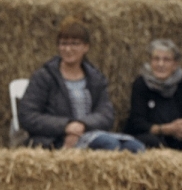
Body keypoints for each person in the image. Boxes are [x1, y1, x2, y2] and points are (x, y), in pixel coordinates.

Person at [18, 18, 145, 152]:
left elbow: (106, 114)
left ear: (86, 47)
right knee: (108, 144)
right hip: (54, 138)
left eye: (74, 44)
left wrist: (82, 125)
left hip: (88, 132)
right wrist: (66, 126)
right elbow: (28, 115)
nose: (68, 49)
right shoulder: (44, 76)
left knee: (136, 147)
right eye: (63, 44)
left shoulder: (95, 78)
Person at [124, 39, 182, 150]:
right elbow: (137, 123)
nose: (160, 64)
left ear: (175, 64)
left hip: (181, 135)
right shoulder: (141, 83)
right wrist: (167, 129)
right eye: (156, 59)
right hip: (153, 135)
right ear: (150, 62)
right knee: (151, 142)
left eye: (166, 60)